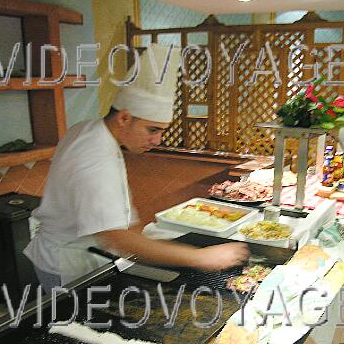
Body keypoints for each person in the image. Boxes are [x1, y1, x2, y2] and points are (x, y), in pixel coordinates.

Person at [24, 44, 250, 292]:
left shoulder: (90, 129)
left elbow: (119, 227)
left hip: (78, 253)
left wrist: (146, 238)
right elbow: (116, 238)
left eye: (161, 131)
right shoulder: (96, 157)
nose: (157, 141)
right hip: (67, 264)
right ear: (124, 117)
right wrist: (201, 257)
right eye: (152, 130)